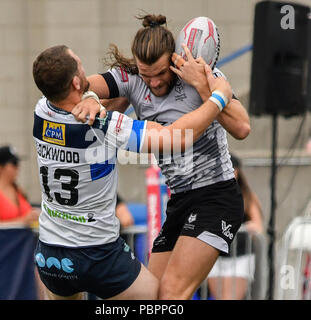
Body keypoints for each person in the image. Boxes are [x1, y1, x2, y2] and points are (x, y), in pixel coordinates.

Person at [32, 44, 233, 300]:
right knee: (160, 301)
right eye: (81, 65)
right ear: (75, 82)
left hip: (50, 255)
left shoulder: (41, 111)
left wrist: (92, 97)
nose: (86, 71)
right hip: (97, 254)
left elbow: (84, 102)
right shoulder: (105, 126)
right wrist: (219, 97)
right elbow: (177, 137)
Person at [72, 14, 250, 299]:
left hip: (215, 196)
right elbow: (80, 86)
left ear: (174, 59)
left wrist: (205, 87)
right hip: (179, 200)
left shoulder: (198, 73)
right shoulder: (130, 78)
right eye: (146, 75)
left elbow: (242, 127)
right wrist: (91, 98)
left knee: (171, 294)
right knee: (149, 295)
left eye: (160, 74)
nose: (154, 83)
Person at [208, 153, 263, 300]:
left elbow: (258, 225)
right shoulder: (210, 195)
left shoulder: (246, 195)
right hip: (215, 256)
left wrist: (246, 228)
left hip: (240, 256)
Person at [0, 145, 40, 225]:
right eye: (14, 164)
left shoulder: (16, 188)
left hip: (23, 237)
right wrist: (24, 220)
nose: (18, 167)